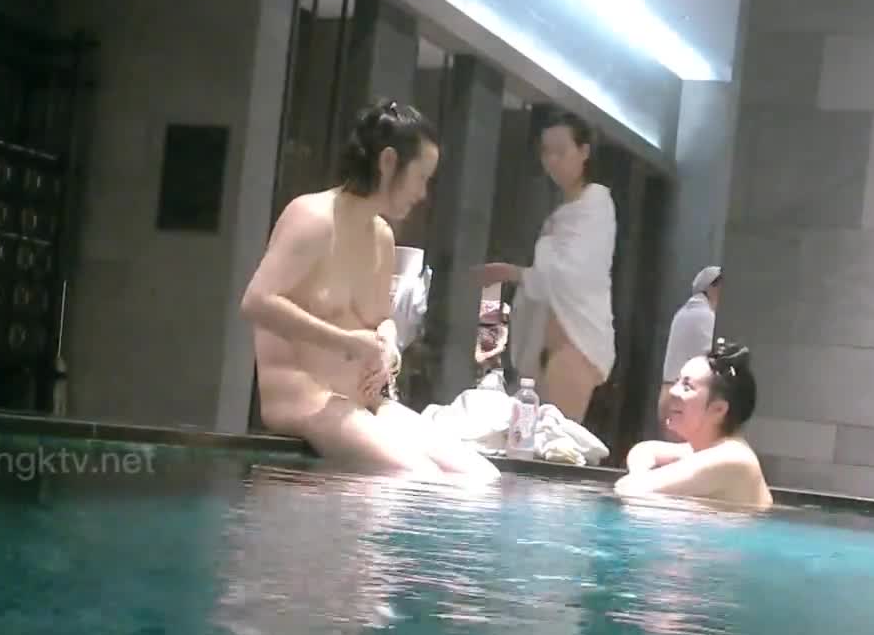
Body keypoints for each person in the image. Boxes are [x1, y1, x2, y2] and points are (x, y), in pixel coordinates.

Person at [240, 100, 499, 483]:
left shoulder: (381, 236)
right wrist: (347, 342)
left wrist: (388, 344)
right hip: (307, 399)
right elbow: (257, 301)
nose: (422, 193)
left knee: (480, 477)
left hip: (366, 402)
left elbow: (381, 320)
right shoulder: (312, 217)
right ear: (389, 162)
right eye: (421, 177)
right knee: (418, 477)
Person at [477, 111, 616, 421]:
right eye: (546, 152)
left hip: (577, 342)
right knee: (534, 433)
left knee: (555, 437)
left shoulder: (595, 205)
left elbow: (574, 274)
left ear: (584, 152)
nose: (552, 161)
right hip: (550, 343)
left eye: (561, 151)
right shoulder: (565, 210)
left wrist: (514, 273)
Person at [614, 339, 773, 508]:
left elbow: (631, 489)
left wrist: (642, 481)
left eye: (687, 386)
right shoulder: (709, 449)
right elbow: (645, 449)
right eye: (677, 381)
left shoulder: (732, 459)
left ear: (718, 410)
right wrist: (640, 474)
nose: (673, 391)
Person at [657, 266, 721, 432]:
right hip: (686, 398)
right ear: (712, 288)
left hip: (668, 394)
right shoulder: (706, 317)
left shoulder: (684, 312)